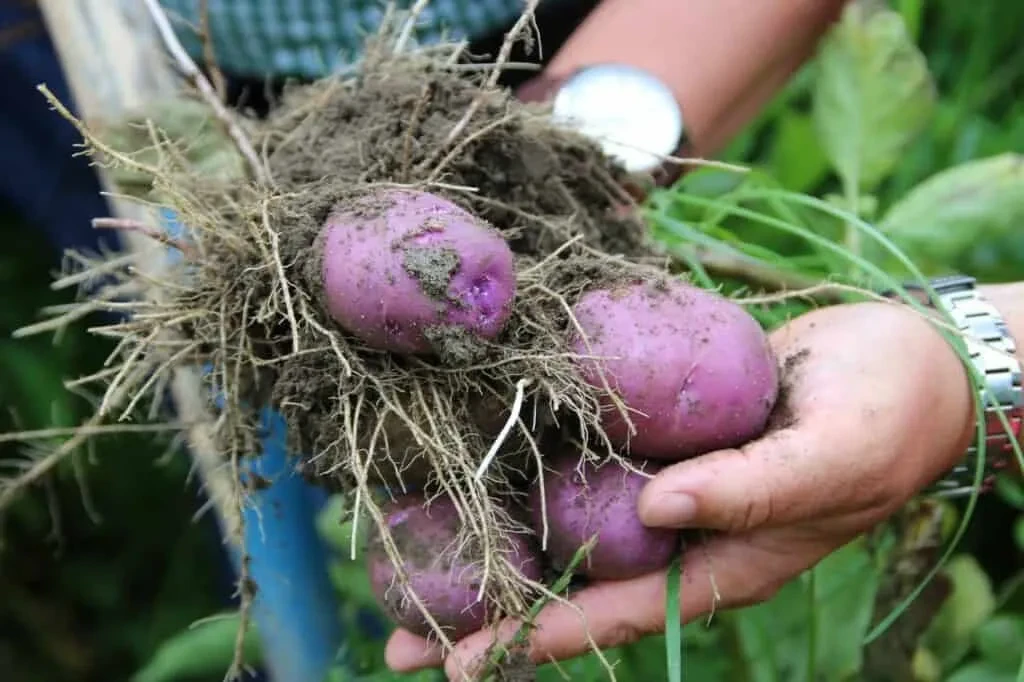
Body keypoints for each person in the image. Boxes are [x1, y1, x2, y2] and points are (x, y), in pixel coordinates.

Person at [156, 2, 1024, 680]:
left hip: (547, 39)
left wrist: (971, 369)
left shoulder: (560, 316)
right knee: (315, 496)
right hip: (223, 84)